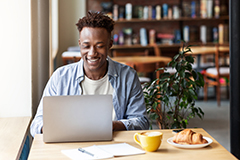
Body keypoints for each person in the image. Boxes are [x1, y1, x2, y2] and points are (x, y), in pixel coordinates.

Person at [30, 11, 149, 138]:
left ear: (110, 44)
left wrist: (111, 125)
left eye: (99, 46)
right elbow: (36, 124)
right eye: (86, 46)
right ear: (80, 44)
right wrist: (53, 127)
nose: (92, 53)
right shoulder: (60, 78)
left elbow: (141, 122)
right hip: (71, 146)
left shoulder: (128, 76)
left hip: (115, 146)